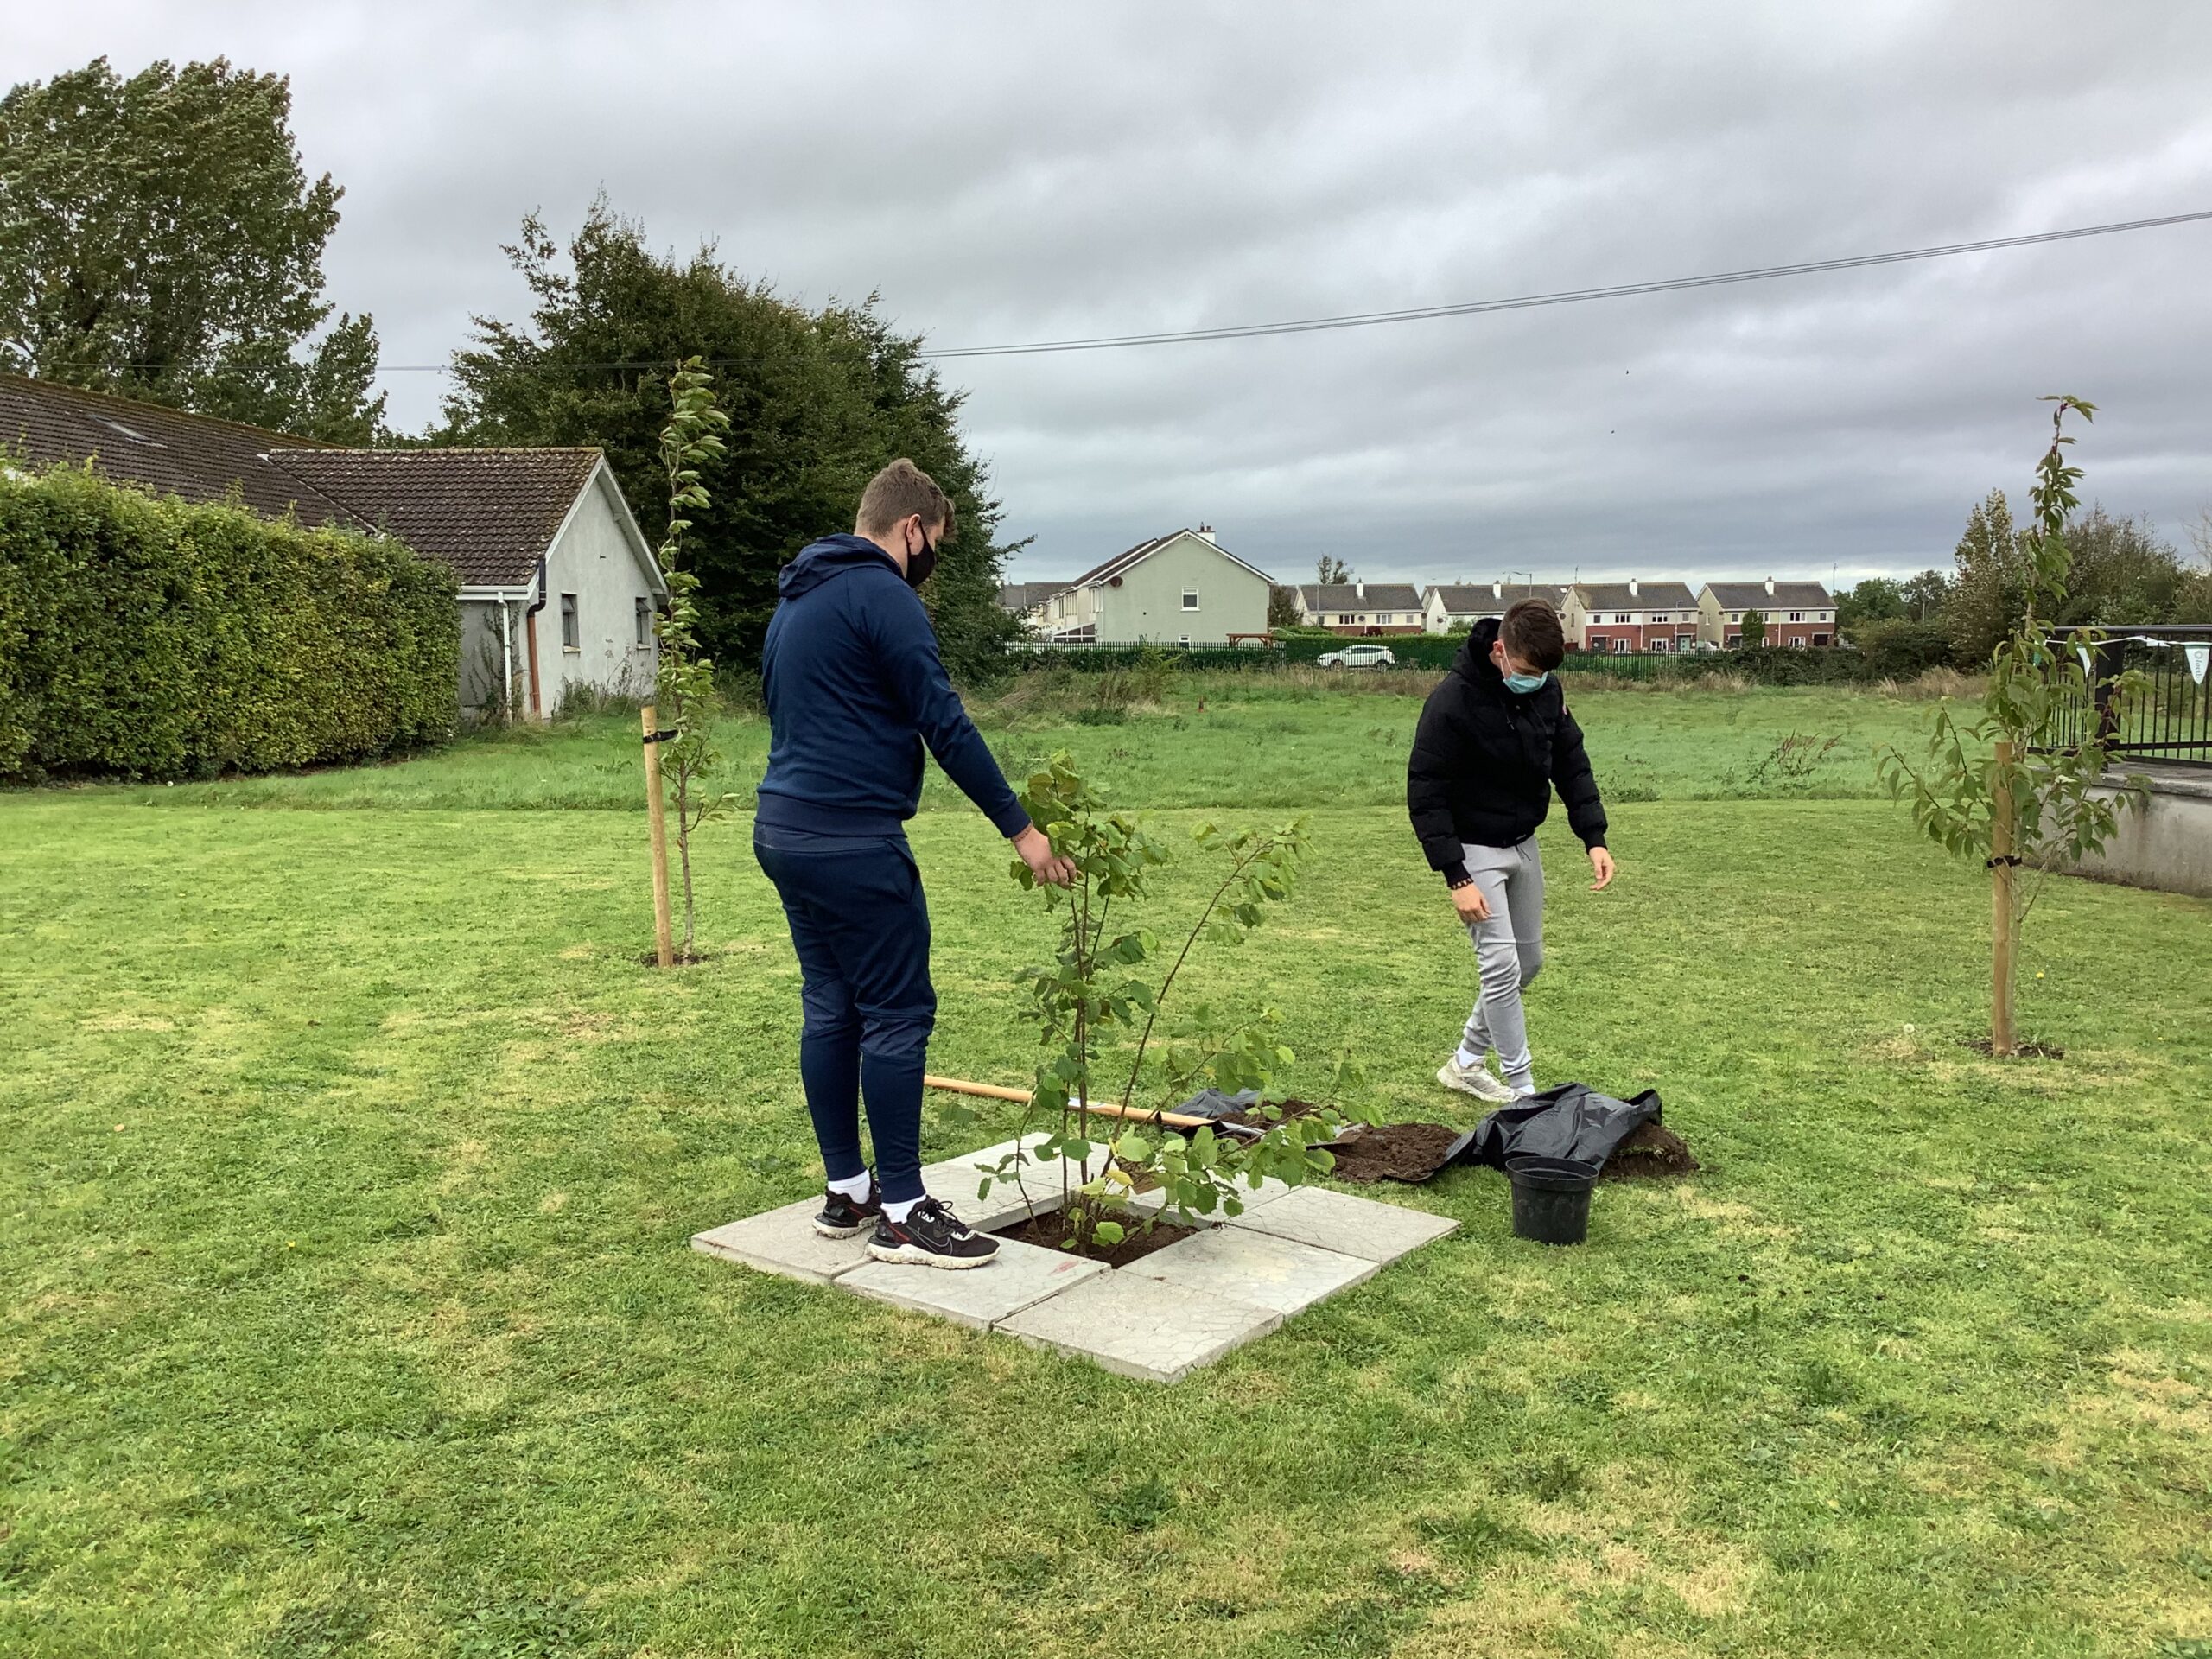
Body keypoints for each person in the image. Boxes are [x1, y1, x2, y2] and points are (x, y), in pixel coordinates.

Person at [753, 458, 1074, 1269]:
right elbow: (946, 721)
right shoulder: (882, 595)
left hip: (783, 829)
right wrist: (1022, 830)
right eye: (936, 544)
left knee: (831, 1006)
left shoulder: (795, 600)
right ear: (912, 529)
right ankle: (902, 1208)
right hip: (854, 842)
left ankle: (847, 1191)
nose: (932, 561)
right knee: (897, 1014)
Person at [1406, 598, 1615, 1105]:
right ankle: (1525, 1094)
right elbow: (1425, 789)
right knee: (1499, 967)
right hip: (1474, 851)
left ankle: (1464, 1063)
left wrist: (1594, 837)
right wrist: (1457, 877)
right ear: (1499, 651)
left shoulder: (1547, 689)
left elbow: (1571, 761)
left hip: (1524, 845)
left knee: (1528, 964)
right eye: (1525, 671)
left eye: (1542, 674)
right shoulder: (1452, 701)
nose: (1533, 681)